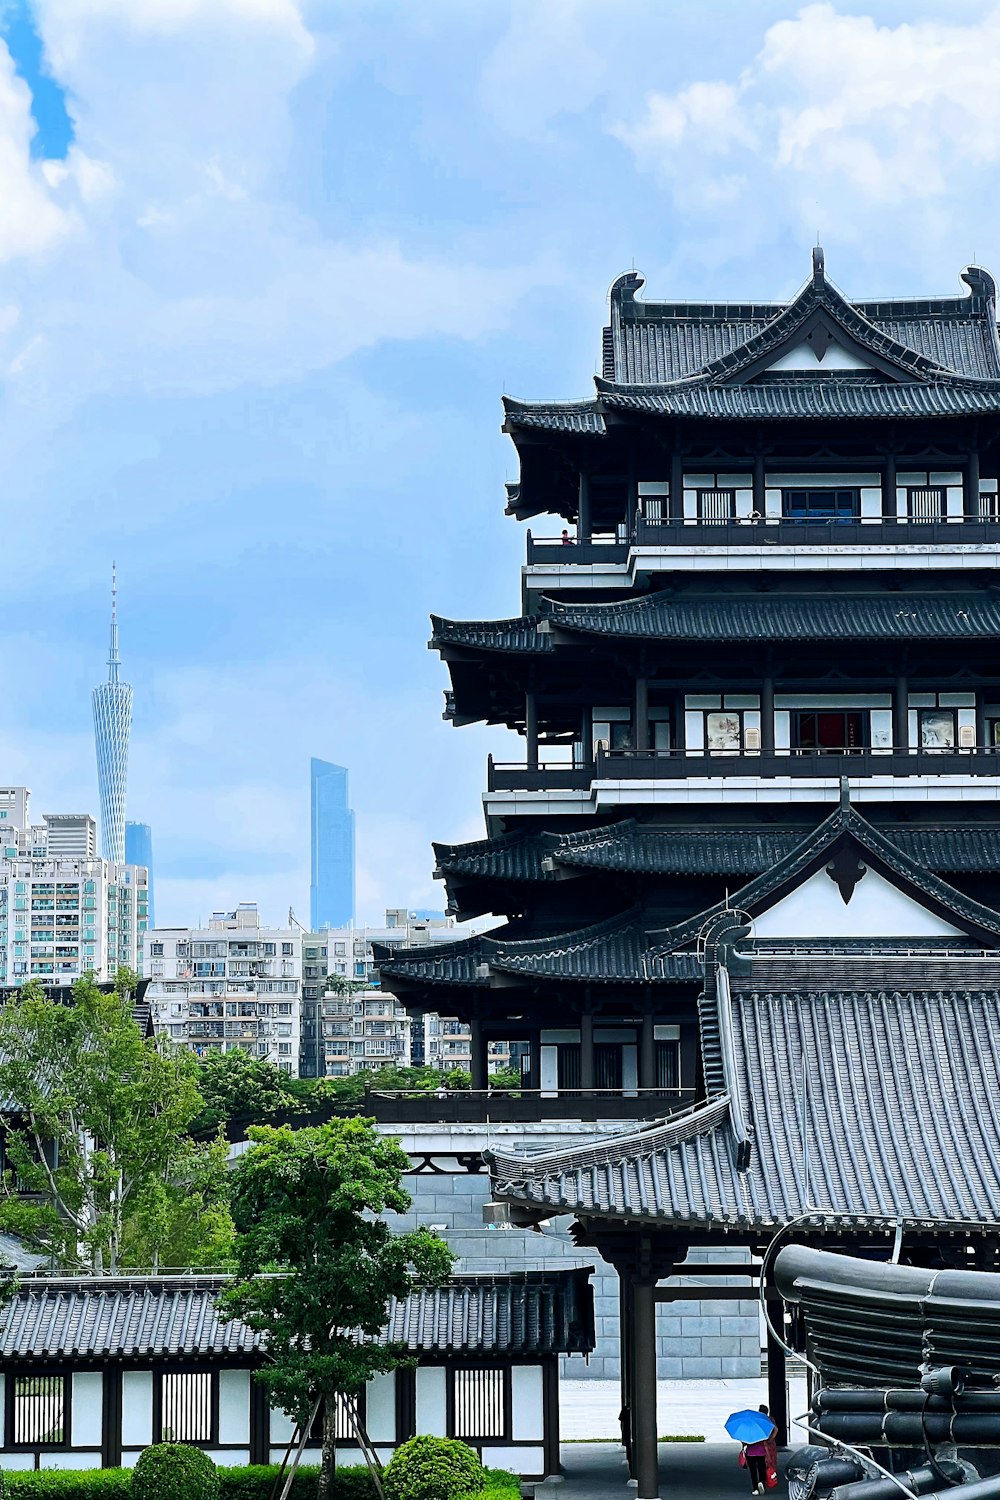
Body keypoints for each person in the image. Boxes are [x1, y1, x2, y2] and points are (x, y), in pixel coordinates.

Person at [742, 1404, 776, 1494]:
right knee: (761, 1469)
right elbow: (775, 1430)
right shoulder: (762, 1427)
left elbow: (744, 1442)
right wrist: (770, 1440)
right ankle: (761, 1482)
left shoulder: (748, 1429)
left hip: (750, 1453)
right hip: (761, 1452)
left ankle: (755, 1489)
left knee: (753, 1471)